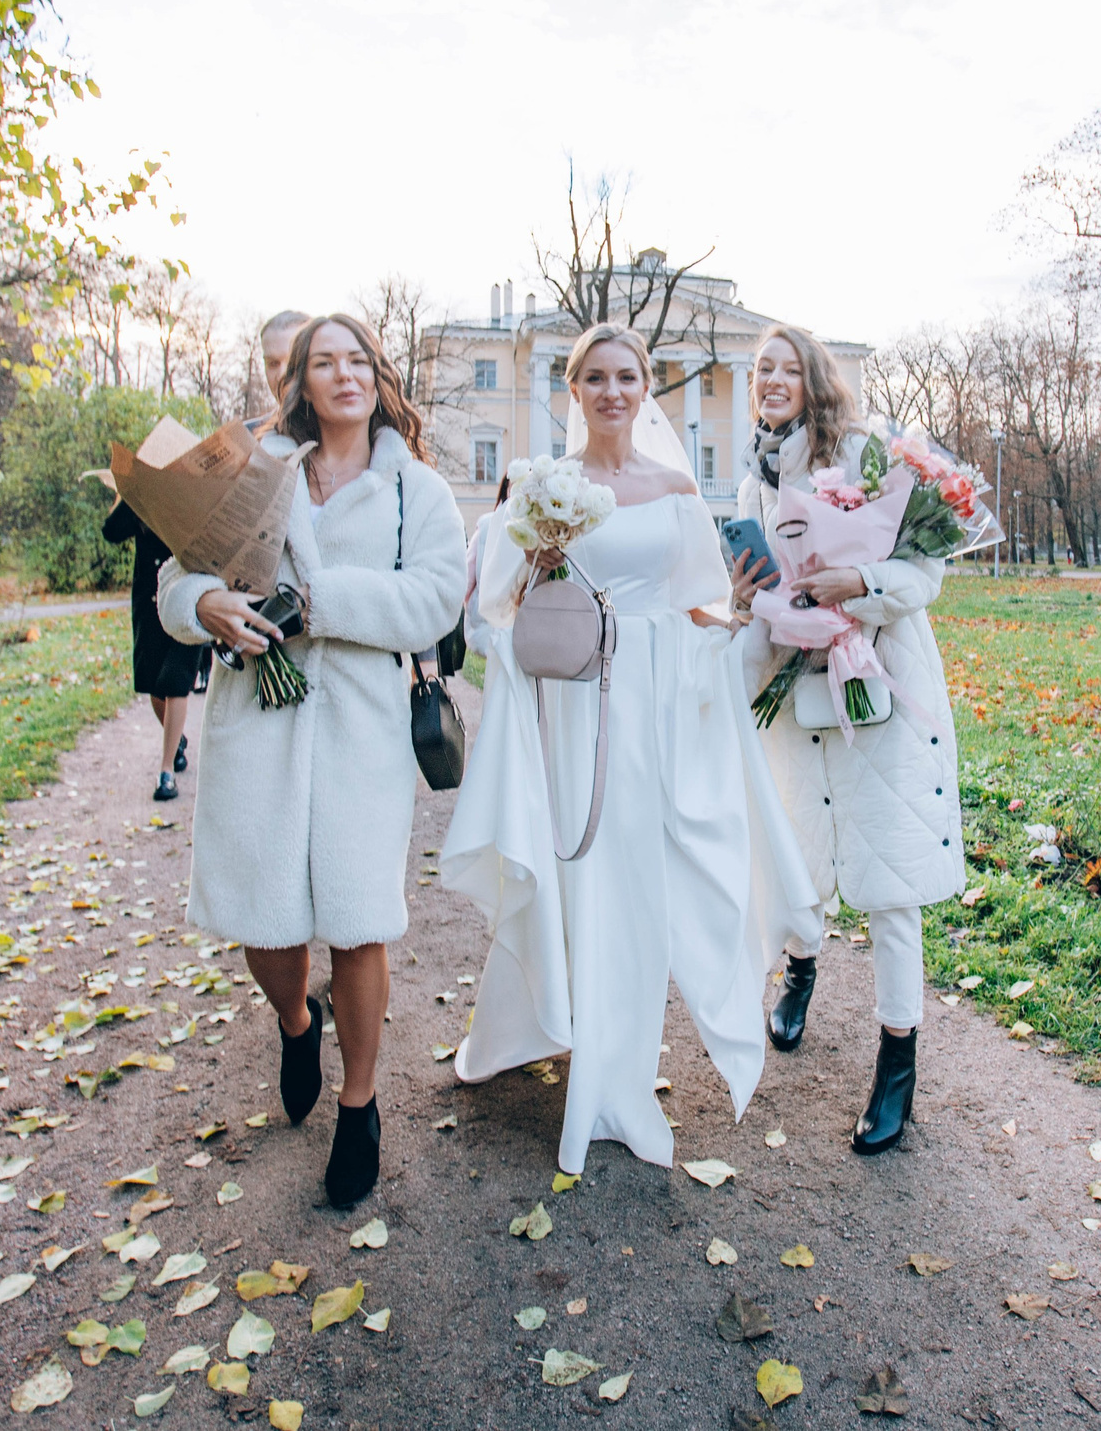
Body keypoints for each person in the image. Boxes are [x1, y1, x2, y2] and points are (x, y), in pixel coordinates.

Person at [441, 324, 817, 1176]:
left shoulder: (679, 485)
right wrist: (536, 563)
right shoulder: (546, 487)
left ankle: (620, 1079)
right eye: (597, 378)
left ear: (647, 387)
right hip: (574, 704)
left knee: (636, 885)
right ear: (574, 390)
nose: (614, 392)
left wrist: (738, 607)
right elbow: (498, 607)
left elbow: (696, 607)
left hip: (653, 705)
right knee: (582, 877)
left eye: (628, 377)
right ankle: (558, 1029)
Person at [158, 314, 464, 1205]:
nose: (343, 374)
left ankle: (360, 1104)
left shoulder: (418, 491)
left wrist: (318, 602)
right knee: (269, 921)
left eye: (357, 360)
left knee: (361, 918)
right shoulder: (257, 470)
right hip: (261, 718)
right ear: (298, 379)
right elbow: (175, 579)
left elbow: (435, 598)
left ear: (378, 375)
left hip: (361, 729)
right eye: (323, 362)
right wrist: (207, 603)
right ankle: (296, 1021)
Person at [728, 324, 966, 1154]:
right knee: (803, 849)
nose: (773, 380)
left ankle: (896, 1063)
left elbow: (924, 574)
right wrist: (748, 592)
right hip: (798, 692)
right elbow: (760, 583)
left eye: (788, 368)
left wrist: (856, 581)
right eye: (762, 369)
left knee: (891, 881)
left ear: (816, 380)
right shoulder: (756, 472)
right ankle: (800, 968)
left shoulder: (870, 457)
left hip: (880, 686)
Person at [102, 494, 212, 800]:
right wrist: (129, 491)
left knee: (175, 681)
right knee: (154, 684)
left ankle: (166, 773)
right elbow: (111, 532)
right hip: (150, 604)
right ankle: (175, 740)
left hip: (190, 600)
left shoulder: (196, 494)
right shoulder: (142, 497)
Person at [246, 309, 313, 428]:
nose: (282, 374)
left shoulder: (348, 433)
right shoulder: (249, 436)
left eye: (293, 361)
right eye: (273, 363)